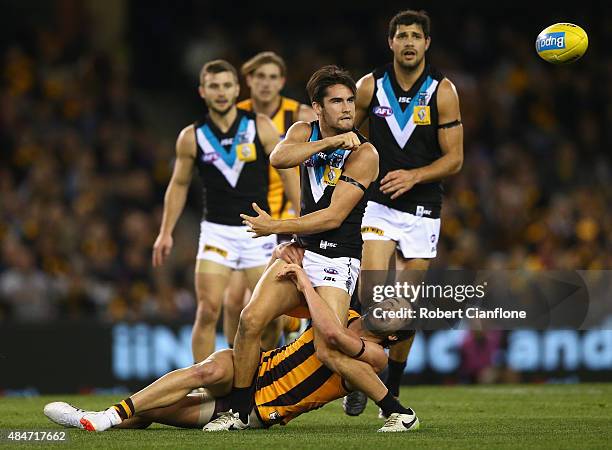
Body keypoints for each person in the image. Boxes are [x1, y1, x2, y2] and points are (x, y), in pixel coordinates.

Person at [202, 65, 415, 432]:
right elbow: (278, 158)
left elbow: (333, 218)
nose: (347, 108)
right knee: (250, 321)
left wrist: (276, 228)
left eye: (350, 100)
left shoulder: (366, 154)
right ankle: (236, 413)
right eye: (336, 102)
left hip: (338, 259)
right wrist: (330, 142)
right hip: (301, 251)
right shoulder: (304, 131)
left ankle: (397, 409)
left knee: (328, 347)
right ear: (317, 108)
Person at [43, 262, 419, 433]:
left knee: (159, 413)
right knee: (205, 370)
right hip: (255, 367)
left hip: (264, 406)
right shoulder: (344, 309)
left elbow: (333, 338)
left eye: (397, 314)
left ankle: (87, 417)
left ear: (392, 336)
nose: (389, 306)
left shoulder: (375, 356)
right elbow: (283, 308)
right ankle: (107, 416)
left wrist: (306, 283)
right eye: (392, 301)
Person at [343, 9, 464, 416]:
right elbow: (348, 135)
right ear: (390, 42)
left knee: (404, 311)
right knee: (373, 298)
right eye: (402, 35)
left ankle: (389, 388)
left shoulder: (442, 90)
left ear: (427, 43)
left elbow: (455, 158)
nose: (409, 42)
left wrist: (414, 175)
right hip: (378, 204)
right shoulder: (368, 86)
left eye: (416, 36)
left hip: (423, 210)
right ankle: (361, 375)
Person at [151, 60, 300, 363]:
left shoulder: (259, 125)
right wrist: (166, 232)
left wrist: (300, 220)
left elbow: (288, 173)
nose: (220, 92)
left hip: (256, 231)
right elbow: (178, 185)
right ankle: (204, 388)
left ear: (236, 89)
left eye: (226, 85)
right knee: (207, 310)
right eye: (214, 86)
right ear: (202, 91)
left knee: (271, 316)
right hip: (217, 232)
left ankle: (264, 379)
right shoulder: (191, 136)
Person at [221, 51, 316, 348]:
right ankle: (237, 364)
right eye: (259, 76)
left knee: (260, 300)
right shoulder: (234, 116)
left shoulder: (299, 116)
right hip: (251, 216)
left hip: (286, 215)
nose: (266, 83)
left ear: (282, 81)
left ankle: (271, 352)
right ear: (248, 80)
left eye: (273, 77)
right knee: (233, 300)